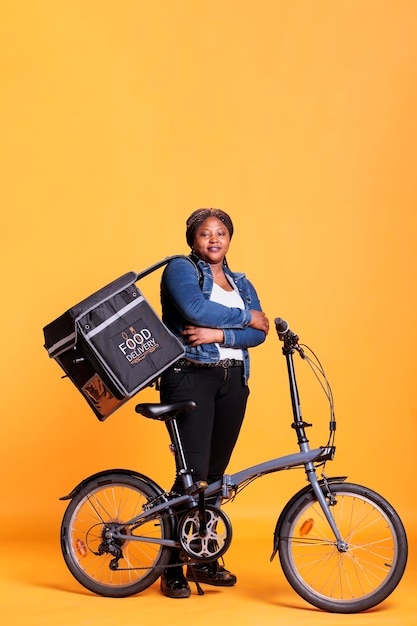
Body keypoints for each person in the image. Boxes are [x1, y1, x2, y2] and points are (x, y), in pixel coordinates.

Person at [159, 208, 269, 598]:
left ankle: (203, 558)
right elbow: (195, 311)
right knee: (192, 475)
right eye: (205, 234)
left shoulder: (241, 280)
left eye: (221, 233)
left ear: (229, 238)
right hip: (191, 376)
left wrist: (218, 334)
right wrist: (244, 318)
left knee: (216, 479)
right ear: (193, 239)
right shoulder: (180, 269)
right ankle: (171, 567)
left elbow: (261, 334)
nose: (214, 240)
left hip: (233, 381)